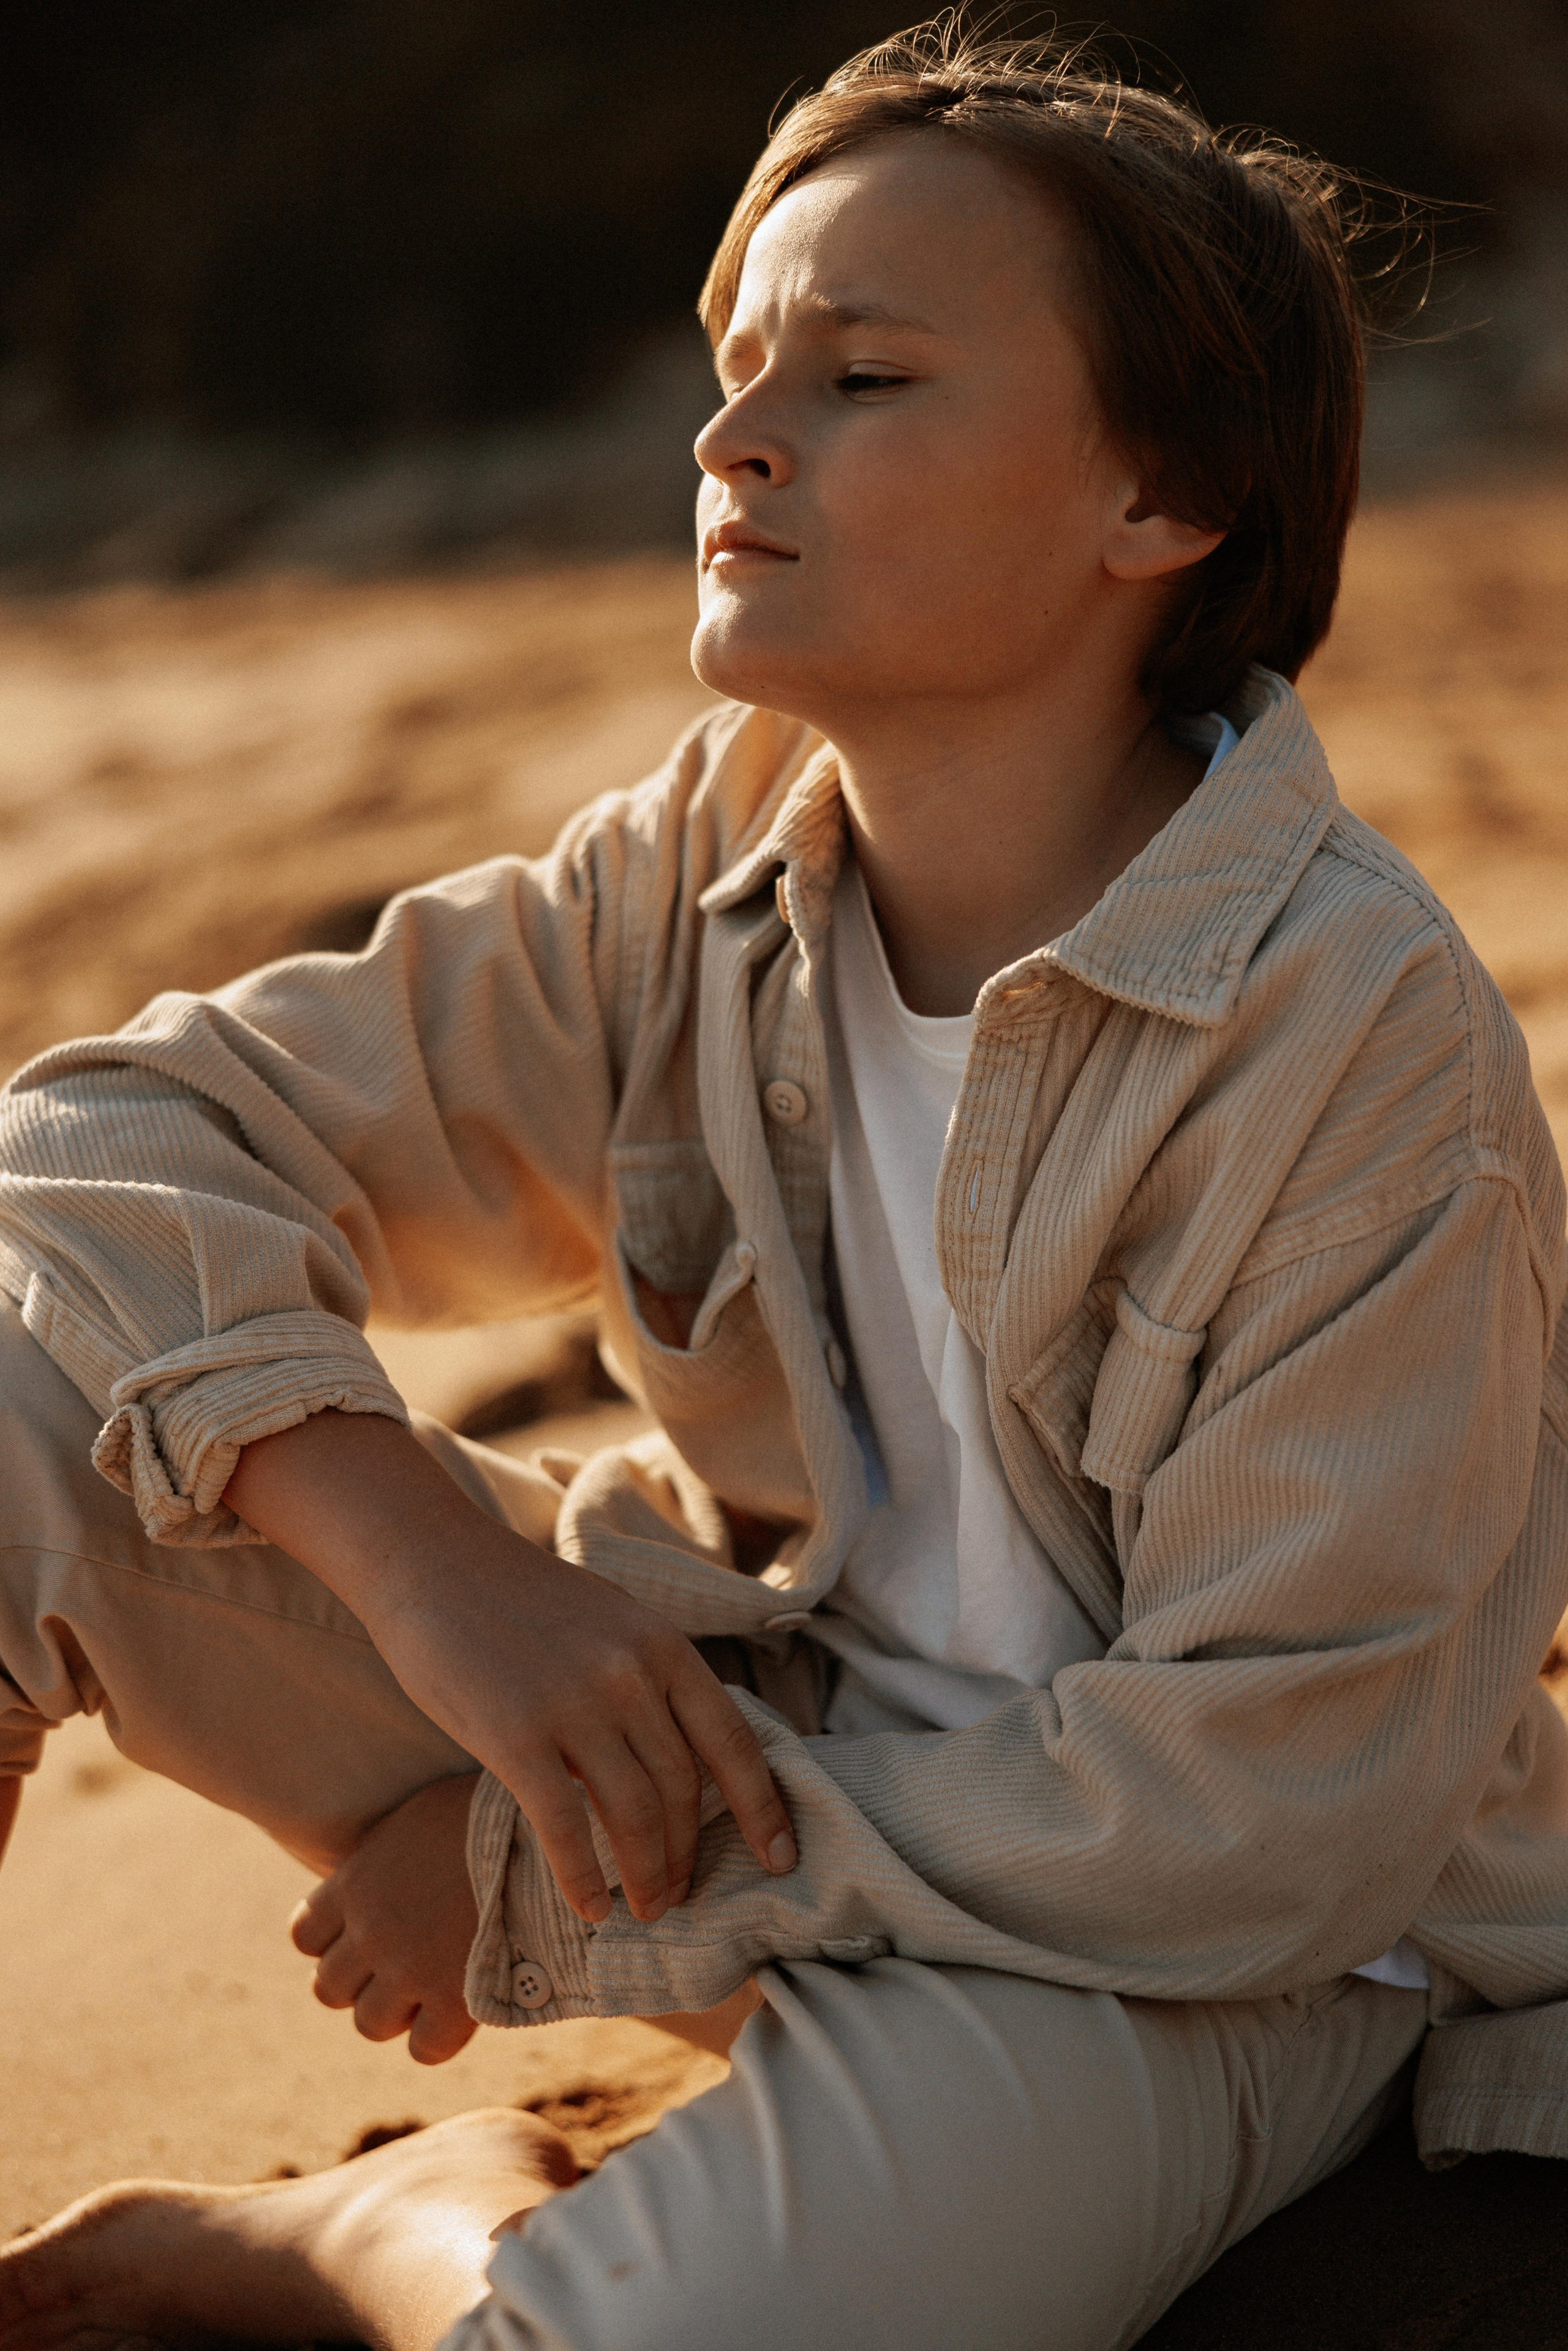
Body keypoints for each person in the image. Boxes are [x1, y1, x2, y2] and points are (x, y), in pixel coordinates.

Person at [2, 21, 1567, 2351]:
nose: (732, 436)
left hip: (1187, 1957)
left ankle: (381, 2230)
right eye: (742, 367)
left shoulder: (1353, 1046)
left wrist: (552, 1886)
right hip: (756, 1764)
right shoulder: (714, 865)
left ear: (1164, 502)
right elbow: (92, 1144)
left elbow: (1267, 1813)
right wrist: (434, 1577)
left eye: (864, 374)